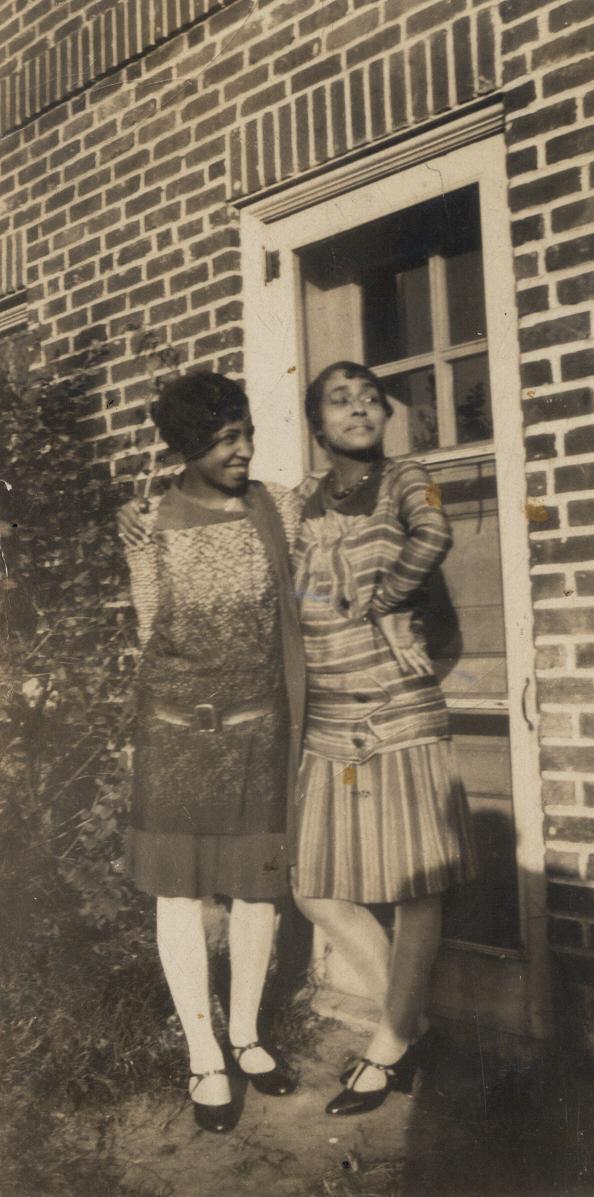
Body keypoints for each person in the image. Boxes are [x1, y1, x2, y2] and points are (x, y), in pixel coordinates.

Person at [119, 371, 304, 1132]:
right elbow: (147, 626)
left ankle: (247, 1033)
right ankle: (203, 1054)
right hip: (176, 731)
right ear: (187, 446)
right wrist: (132, 518)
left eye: (247, 433)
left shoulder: (280, 507)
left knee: (258, 887)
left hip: (259, 726)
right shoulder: (148, 523)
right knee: (180, 893)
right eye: (225, 438)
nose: (244, 449)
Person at [291, 361, 476, 1116]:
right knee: (313, 887)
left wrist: (388, 600)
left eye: (370, 398)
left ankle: (388, 1044)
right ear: (316, 422)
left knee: (413, 885)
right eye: (340, 399)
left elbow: (434, 531)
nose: (360, 408)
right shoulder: (299, 500)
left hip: (399, 708)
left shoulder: (406, 476)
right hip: (331, 716)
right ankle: (412, 1022)